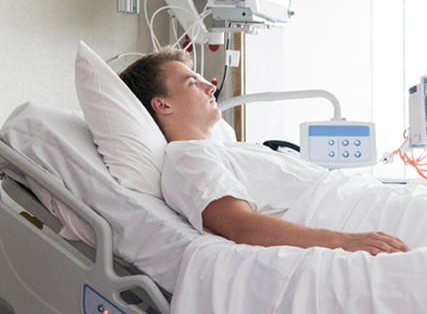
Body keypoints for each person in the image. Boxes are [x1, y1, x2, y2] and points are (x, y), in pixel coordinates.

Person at [120, 48, 409, 256]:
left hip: (371, 200)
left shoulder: (220, 149)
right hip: (357, 218)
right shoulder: (188, 159)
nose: (210, 87)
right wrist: (344, 242)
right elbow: (243, 227)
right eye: (192, 83)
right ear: (162, 106)